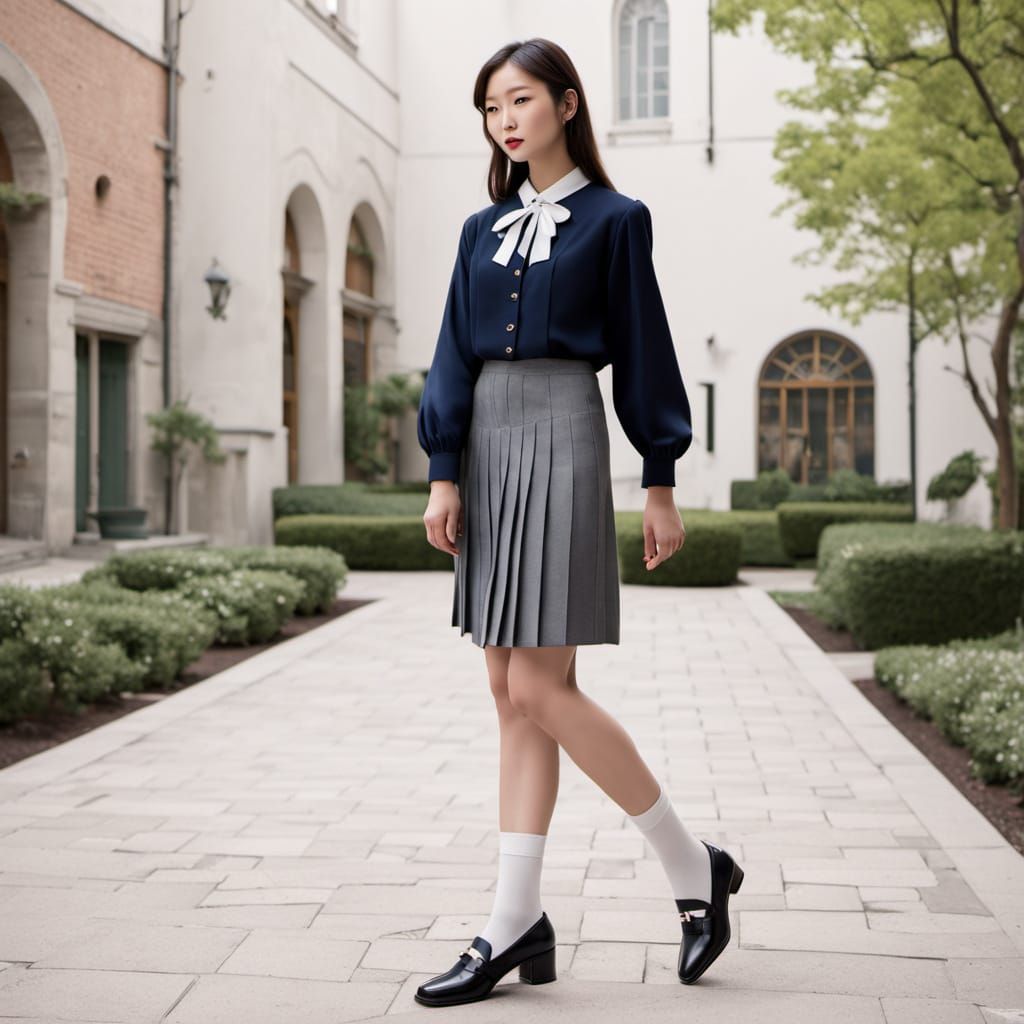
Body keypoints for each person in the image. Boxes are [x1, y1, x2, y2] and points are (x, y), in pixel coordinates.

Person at [414, 37, 744, 1008]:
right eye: (488, 108)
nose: (503, 121)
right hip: (485, 442)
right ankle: (517, 919)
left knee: (540, 684)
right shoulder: (479, 229)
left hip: (563, 433)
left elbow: (644, 343)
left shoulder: (614, 219)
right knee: (507, 691)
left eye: (518, 100)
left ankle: (692, 866)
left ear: (564, 103)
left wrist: (659, 475)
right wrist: (443, 470)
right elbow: (448, 355)